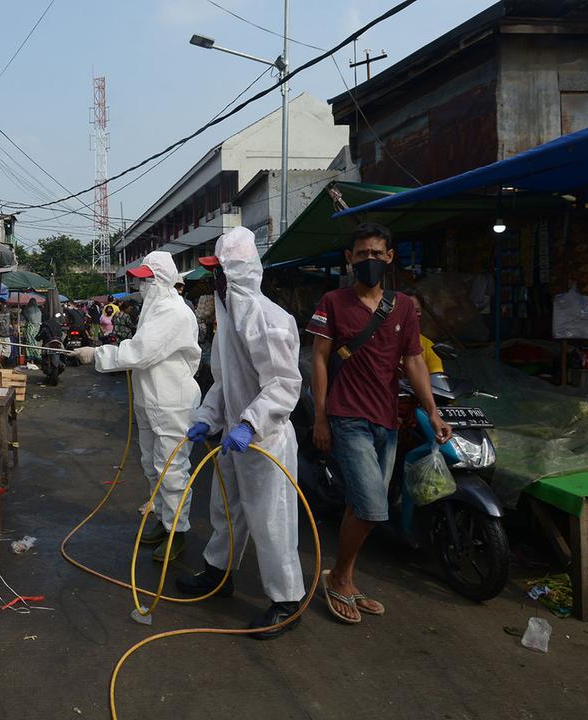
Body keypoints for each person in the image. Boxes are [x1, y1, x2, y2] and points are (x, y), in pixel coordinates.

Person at [308, 222, 452, 625]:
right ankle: (337, 577)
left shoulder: (404, 305)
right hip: (347, 415)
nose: (368, 260)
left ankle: (346, 579)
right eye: (361, 254)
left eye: (376, 254)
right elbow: (319, 358)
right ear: (349, 259)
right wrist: (321, 415)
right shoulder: (333, 301)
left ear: (390, 258)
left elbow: (414, 361)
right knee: (372, 507)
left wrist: (433, 411)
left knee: (361, 504)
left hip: (386, 420)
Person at [176, 227, 305, 640]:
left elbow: (283, 385)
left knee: (272, 522)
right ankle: (218, 574)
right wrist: (208, 417)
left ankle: (286, 602)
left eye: (220, 272)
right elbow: (224, 382)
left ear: (240, 273)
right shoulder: (230, 321)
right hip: (235, 437)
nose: (215, 281)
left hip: (264, 442)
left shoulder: (270, 321)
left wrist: (251, 424)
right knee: (226, 512)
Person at [73, 251, 201, 563]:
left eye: (146, 278)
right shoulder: (154, 308)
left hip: (172, 402)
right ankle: (163, 520)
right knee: (151, 465)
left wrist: (98, 355)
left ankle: (177, 532)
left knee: (171, 470)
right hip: (150, 399)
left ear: (160, 279)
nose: (141, 283)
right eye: (140, 278)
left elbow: (141, 352)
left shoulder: (173, 311)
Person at [22, 298, 43, 363]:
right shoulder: (39, 310)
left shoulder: (27, 309)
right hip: (38, 328)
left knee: (30, 343)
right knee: (37, 343)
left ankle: (31, 359)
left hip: (31, 328)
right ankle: (38, 357)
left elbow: (25, 316)